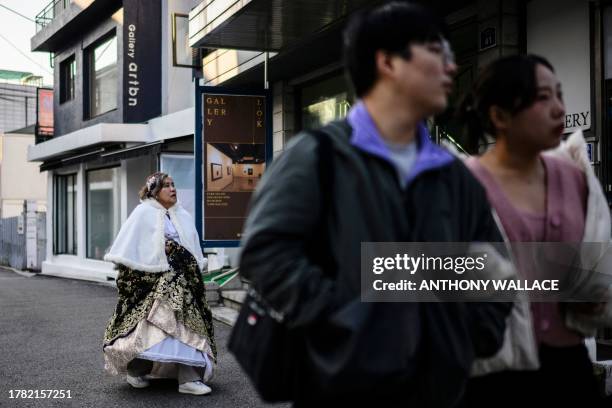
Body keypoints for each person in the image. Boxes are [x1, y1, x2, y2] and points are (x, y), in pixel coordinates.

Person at [237, 2, 513, 406]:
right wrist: (346, 320)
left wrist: (465, 335)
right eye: (437, 53)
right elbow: (264, 255)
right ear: (388, 62)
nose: (452, 67)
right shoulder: (317, 156)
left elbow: (492, 269)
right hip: (337, 390)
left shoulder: (455, 177)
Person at [459, 54, 608, 406]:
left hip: (569, 368)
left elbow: (596, 262)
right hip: (490, 376)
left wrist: (595, 295)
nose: (559, 108)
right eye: (543, 98)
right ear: (499, 116)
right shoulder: (459, 185)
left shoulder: (576, 177)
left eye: (559, 95)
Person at [102, 172, 216, 396]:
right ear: (154, 191)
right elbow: (133, 246)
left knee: (185, 324)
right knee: (153, 324)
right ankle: (136, 370)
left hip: (183, 280)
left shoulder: (180, 214)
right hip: (153, 281)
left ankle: (188, 378)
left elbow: (190, 245)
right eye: (166, 186)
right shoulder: (143, 212)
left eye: (173, 185)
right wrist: (159, 252)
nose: (172, 189)